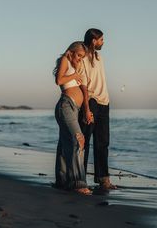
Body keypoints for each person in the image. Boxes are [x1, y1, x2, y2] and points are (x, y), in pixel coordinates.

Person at [79, 28, 117, 190]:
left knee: (103, 142)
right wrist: (86, 108)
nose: (103, 42)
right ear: (94, 41)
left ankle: (103, 178)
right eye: (101, 39)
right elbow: (84, 85)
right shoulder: (82, 59)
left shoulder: (99, 57)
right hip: (91, 101)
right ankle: (80, 179)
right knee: (85, 141)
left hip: (104, 102)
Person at [53, 41, 92, 195]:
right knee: (78, 140)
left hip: (73, 109)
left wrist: (86, 109)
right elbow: (59, 80)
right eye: (79, 55)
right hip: (66, 106)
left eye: (82, 57)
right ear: (71, 51)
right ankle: (77, 183)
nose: (80, 59)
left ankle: (62, 181)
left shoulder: (75, 66)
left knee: (65, 145)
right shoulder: (65, 59)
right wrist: (75, 75)